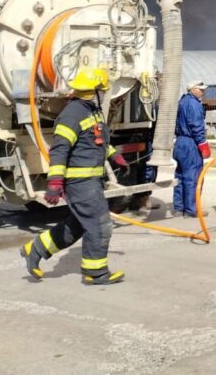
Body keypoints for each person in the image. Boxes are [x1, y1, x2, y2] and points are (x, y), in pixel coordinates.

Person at [21, 68, 129, 285]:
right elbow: (59, 150)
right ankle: (95, 273)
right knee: (100, 225)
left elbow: (94, 142)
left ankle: (36, 248)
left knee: (78, 225)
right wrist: (54, 182)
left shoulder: (91, 111)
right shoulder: (72, 114)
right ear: (93, 91)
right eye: (102, 90)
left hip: (91, 182)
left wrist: (114, 155)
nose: (104, 93)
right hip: (81, 183)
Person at [172, 80, 211, 218]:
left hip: (180, 142)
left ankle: (178, 208)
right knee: (192, 177)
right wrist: (203, 144)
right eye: (201, 89)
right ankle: (191, 209)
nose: (203, 92)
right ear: (193, 89)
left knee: (180, 176)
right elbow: (196, 125)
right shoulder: (194, 104)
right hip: (190, 143)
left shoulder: (182, 101)